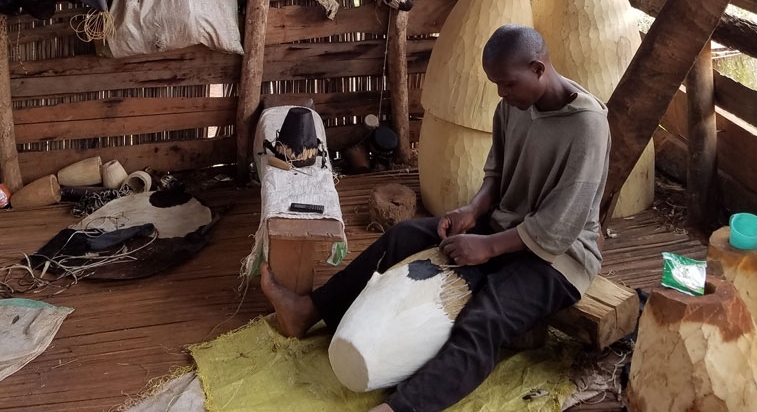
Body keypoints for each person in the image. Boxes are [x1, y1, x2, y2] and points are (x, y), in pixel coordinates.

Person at [261, 24, 611, 412]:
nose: (501, 94)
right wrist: (472, 211)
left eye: (507, 84)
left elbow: (557, 230)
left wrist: (487, 247)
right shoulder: (513, 106)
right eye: (496, 84)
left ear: (538, 67)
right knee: (403, 238)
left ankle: (401, 408)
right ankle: (308, 311)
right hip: (503, 228)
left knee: (486, 316)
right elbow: (494, 175)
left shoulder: (587, 126)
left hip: (558, 258)